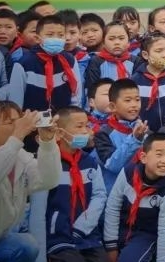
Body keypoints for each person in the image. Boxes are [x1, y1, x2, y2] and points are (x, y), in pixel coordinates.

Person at [0, 102, 61, 262]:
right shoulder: (10, 150)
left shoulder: (18, 155)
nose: (18, 126)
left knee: (27, 244)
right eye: (10, 122)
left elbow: (48, 180)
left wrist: (47, 142)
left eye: (19, 120)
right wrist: (18, 134)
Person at [103, 132, 165, 262]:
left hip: (145, 235)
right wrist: (110, 247)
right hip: (120, 228)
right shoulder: (128, 172)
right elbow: (113, 208)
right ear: (143, 157)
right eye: (159, 154)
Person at [46, 107, 107, 262]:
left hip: (87, 235)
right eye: (79, 126)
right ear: (59, 133)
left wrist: (83, 227)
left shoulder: (90, 162)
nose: (86, 131)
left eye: (87, 125)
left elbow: (99, 195)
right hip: (58, 236)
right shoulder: (48, 162)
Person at [94, 78, 148, 190]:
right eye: (128, 100)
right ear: (112, 106)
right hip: (113, 191)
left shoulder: (145, 130)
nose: (134, 105)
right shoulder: (103, 134)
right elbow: (112, 166)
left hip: (141, 191)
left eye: (137, 100)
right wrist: (134, 140)